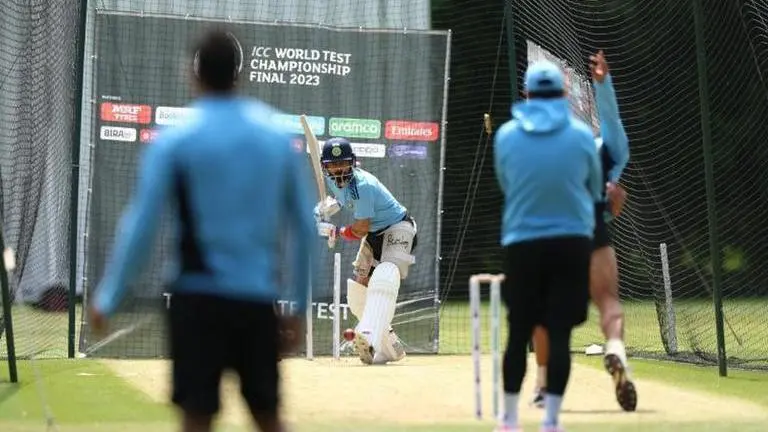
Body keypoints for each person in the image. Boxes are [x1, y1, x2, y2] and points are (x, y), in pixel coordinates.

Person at [88, 29, 317, 432]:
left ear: (192, 74)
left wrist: (108, 296)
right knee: (268, 417)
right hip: (256, 301)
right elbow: (303, 226)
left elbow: (141, 223)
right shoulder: (275, 138)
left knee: (196, 418)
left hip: (196, 300)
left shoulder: (176, 142)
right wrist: (298, 307)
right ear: (239, 74)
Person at [493, 60, 602, 432]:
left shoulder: (507, 134)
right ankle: (552, 422)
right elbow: (593, 188)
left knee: (519, 331)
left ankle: (508, 421)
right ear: (563, 94)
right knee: (559, 334)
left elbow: (508, 183)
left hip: (523, 242)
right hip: (572, 242)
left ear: (527, 94)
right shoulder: (582, 135)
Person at [530, 50, 636, 413]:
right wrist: (603, 85)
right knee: (607, 299)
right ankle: (616, 349)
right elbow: (613, 126)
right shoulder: (603, 153)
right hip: (590, 228)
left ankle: (544, 386)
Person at [314, 137, 416, 365]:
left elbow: (360, 229)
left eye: (343, 164)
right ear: (325, 166)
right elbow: (343, 199)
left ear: (353, 163)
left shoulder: (364, 185)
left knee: (385, 272)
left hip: (398, 227)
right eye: (332, 165)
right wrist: (328, 207)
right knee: (358, 294)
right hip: (375, 234)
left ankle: (368, 336)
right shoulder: (332, 182)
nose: (338, 170)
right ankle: (390, 346)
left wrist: (336, 232)